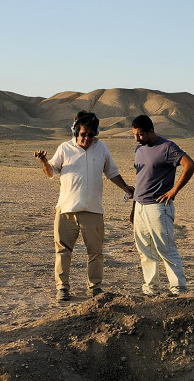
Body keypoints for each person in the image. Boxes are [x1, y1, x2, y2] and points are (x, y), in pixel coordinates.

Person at [34, 111, 134, 301]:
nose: (87, 138)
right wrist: (44, 162)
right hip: (66, 210)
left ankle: (95, 287)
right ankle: (62, 288)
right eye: (83, 134)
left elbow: (112, 172)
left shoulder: (101, 148)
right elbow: (50, 173)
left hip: (93, 210)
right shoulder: (64, 148)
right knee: (63, 250)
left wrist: (126, 188)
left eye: (91, 134)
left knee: (95, 252)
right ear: (75, 132)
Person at [130, 115, 194, 296]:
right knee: (145, 250)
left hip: (158, 207)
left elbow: (190, 165)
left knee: (165, 248)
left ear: (151, 131)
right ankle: (151, 289)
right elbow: (140, 179)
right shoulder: (139, 149)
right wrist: (134, 206)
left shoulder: (167, 147)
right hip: (140, 206)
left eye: (141, 134)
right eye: (135, 134)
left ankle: (178, 289)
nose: (137, 138)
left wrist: (174, 191)